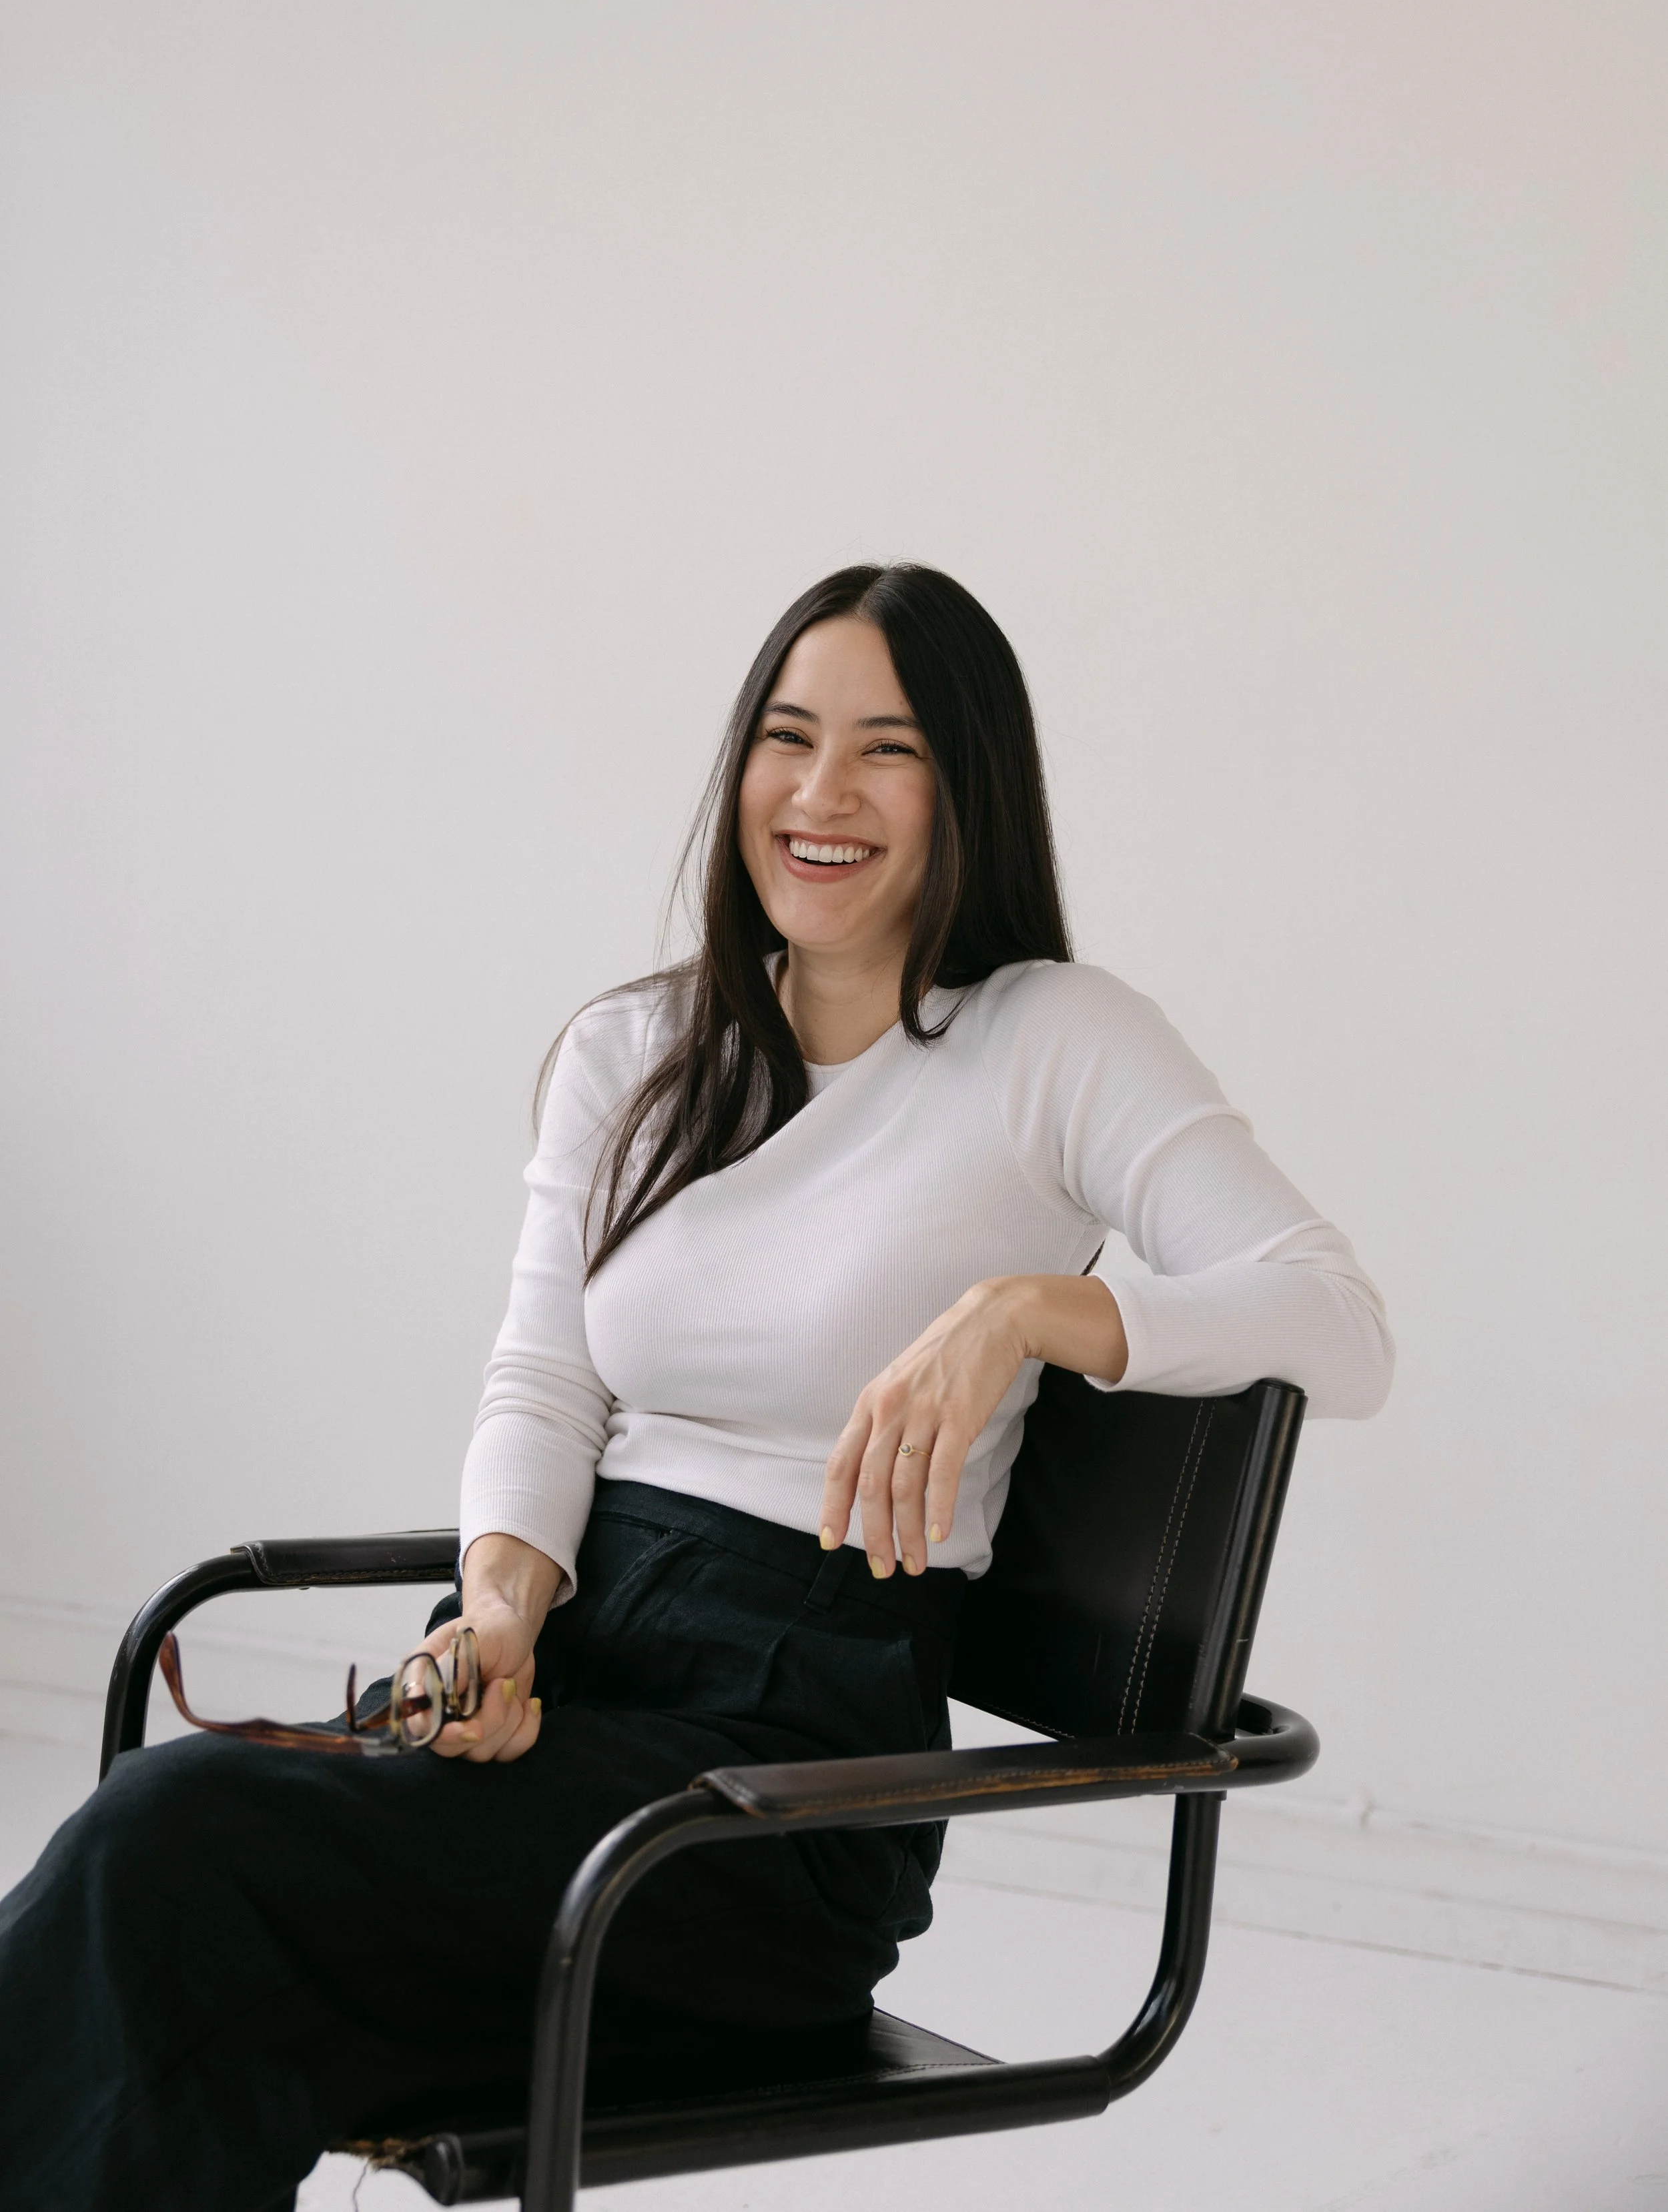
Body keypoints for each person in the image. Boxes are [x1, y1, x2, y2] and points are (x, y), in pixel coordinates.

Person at [0, 564, 1392, 2209]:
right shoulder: (637, 1051)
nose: (819, 794)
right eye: (786, 739)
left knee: (178, 1843)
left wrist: (1032, 1309)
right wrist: (499, 1613)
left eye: (886, 751)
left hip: (779, 1791)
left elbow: (1336, 1325)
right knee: (188, 1977)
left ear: (970, 791)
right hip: (582, 1687)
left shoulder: (1052, 1043)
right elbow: (544, 1378)